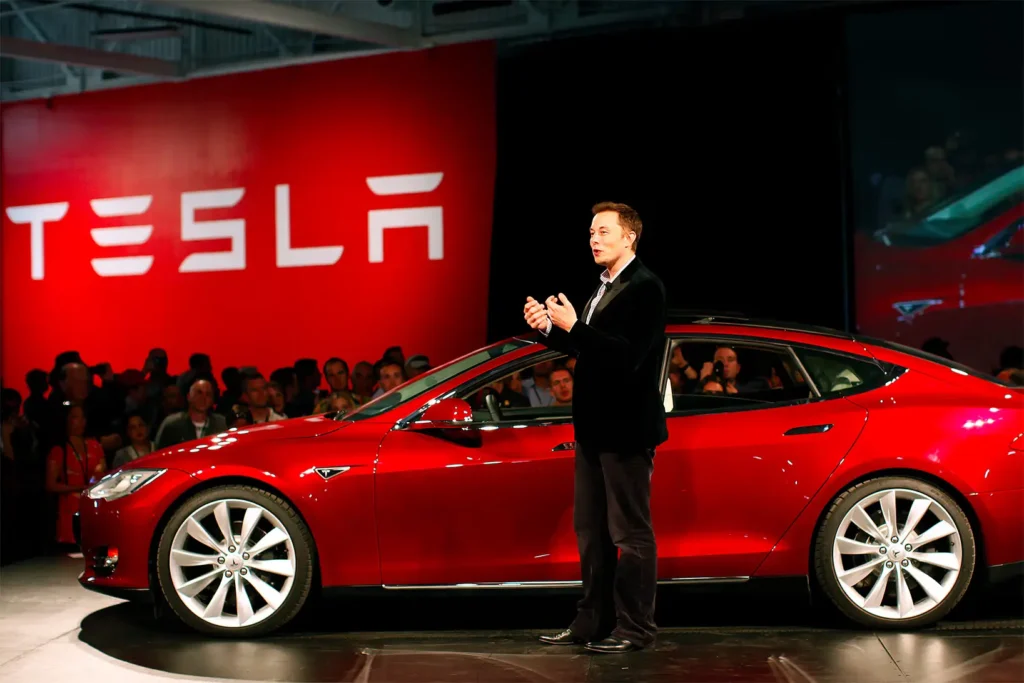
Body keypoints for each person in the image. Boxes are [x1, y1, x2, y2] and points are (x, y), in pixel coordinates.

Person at [524, 201, 668, 653]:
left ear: (630, 237)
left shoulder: (645, 288)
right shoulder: (603, 287)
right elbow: (591, 349)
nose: (593, 238)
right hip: (592, 431)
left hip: (626, 431)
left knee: (630, 533)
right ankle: (591, 624)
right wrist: (550, 329)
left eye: (603, 231)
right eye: (590, 232)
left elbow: (627, 357)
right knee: (591, 530)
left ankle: (636, 629)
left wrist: (575, 327)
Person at [45, 403, 106, 549]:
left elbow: (102, 473)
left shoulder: (94, 446)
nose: (80, 421)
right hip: (68, 514)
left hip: (93, 510)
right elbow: (50, 485)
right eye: (75, 417)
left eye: (82, 417)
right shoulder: (59, 450)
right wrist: (81, 487)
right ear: (67, 420)